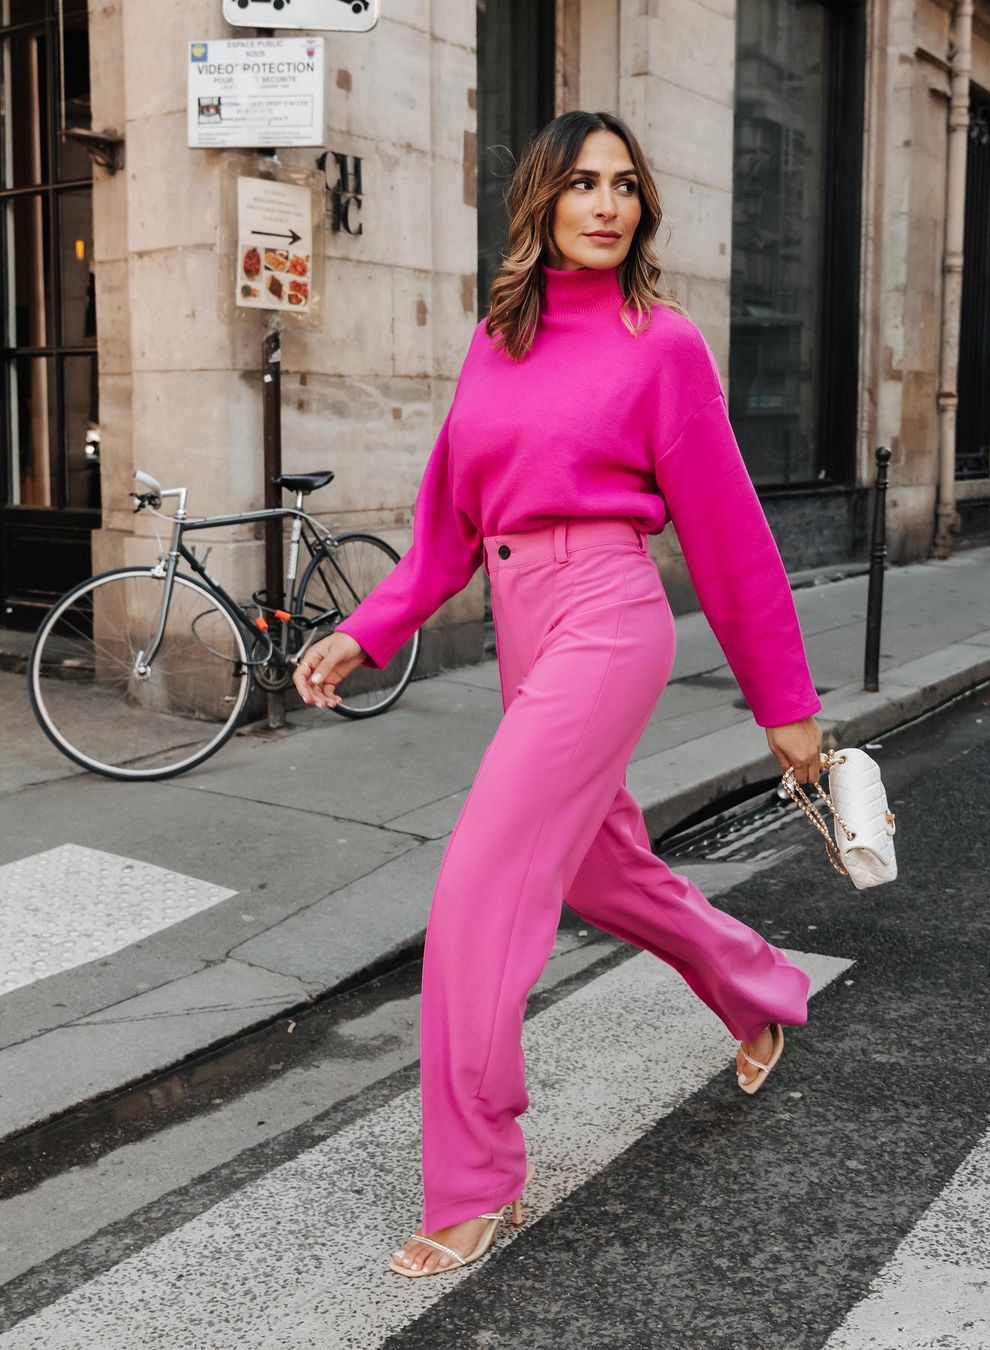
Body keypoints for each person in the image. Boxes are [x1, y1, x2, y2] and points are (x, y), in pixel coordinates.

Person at [293, 111, 823, 1278]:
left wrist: (786, 706)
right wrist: (367, 631)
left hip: (608, 611)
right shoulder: (499, 339)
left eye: (626, 185)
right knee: (601, 865)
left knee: (481, 884)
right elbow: (447, 530)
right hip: (524, 616)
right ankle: (759, 989)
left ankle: (476, 1179)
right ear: (541, 200)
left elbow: (729, 540)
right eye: (583, 183)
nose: (606, 204)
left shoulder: (662, 342)